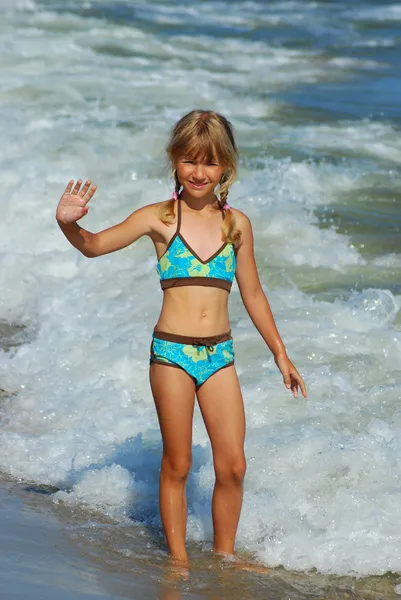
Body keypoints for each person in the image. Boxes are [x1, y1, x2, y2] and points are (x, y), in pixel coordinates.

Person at [56, 109, 307, 566]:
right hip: (170, 354)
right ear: (174, 161)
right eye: (190, 160)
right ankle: (178, 563)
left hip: (221, 357)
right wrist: (69, 223)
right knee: (179, 464)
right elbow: (93, 246)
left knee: (233, 466)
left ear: (225, 167)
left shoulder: (237, 225)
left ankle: (224, 559)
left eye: (210, 162)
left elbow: (252, 292)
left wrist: (280, 355)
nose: (199, 172)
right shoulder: (158, 218)